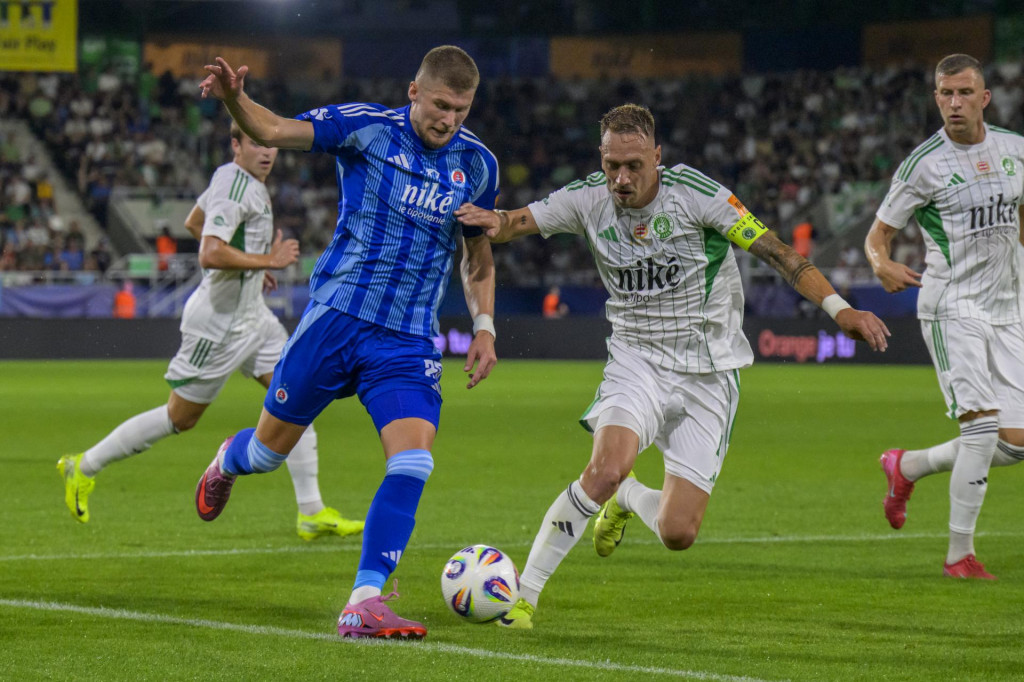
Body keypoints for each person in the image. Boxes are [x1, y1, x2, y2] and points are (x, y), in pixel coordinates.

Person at [455, 103, 889, 629]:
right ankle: (524, 596)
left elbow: (778, 253)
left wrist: (840, 309)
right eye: (613, 164)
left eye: (634, 165)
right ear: (602, 158)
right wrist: (488, 220)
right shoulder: (586, 199)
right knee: (604, 468)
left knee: (677, 532)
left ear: (657, 156)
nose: (621, 177)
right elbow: (514, 223)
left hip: (708, 371)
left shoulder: (699, 196)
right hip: (636, 360)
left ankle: (629, 498)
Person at [194, 45, 499, 640]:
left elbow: (478, 255)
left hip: (408, 339)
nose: (449, 120)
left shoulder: (477, 165)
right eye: (441, 105)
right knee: (266, 454)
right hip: (336, 321)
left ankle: (364, 600)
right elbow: (276, 129)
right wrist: (233, 97)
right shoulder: (365, 130)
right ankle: (227, 459)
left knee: (414, 459)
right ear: (415, 92)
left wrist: (484, 325)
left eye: (461, 110)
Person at [57, 123, 364, 543]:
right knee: (178, 418)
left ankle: (310, 511)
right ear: (236, 145)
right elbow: (209, 250)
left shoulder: (243, 181)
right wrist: (267, 262)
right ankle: (83, 466)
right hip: (218, 326)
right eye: (256, 143)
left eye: (271, 144)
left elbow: (194, 221)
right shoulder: (235, 183)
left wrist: (254, 269)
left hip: (252, 317)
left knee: (296, 398)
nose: (267, 152)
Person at [865, 54, 1024, 580]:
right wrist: (881, 264)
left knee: (1015, 444)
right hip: (952, 305)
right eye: (944, 94)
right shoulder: (924, 164)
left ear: (985, 98)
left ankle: (906, 465)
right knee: (980, 432)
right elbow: (878, 235)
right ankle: (960, 555)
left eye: (963, 93)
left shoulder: (1014, 150)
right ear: (936, 98)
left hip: (1006, 307)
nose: (953, 103)